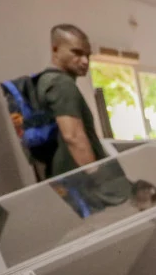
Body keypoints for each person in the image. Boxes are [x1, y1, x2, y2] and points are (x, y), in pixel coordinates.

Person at [37, 24, 107, 178]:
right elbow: (73, 137)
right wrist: (98, 180)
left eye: (87, 55)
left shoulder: (44, 81)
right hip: (79, 181)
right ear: (55, 49)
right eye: (77, 53)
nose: (85, 61)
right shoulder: (62, 84)